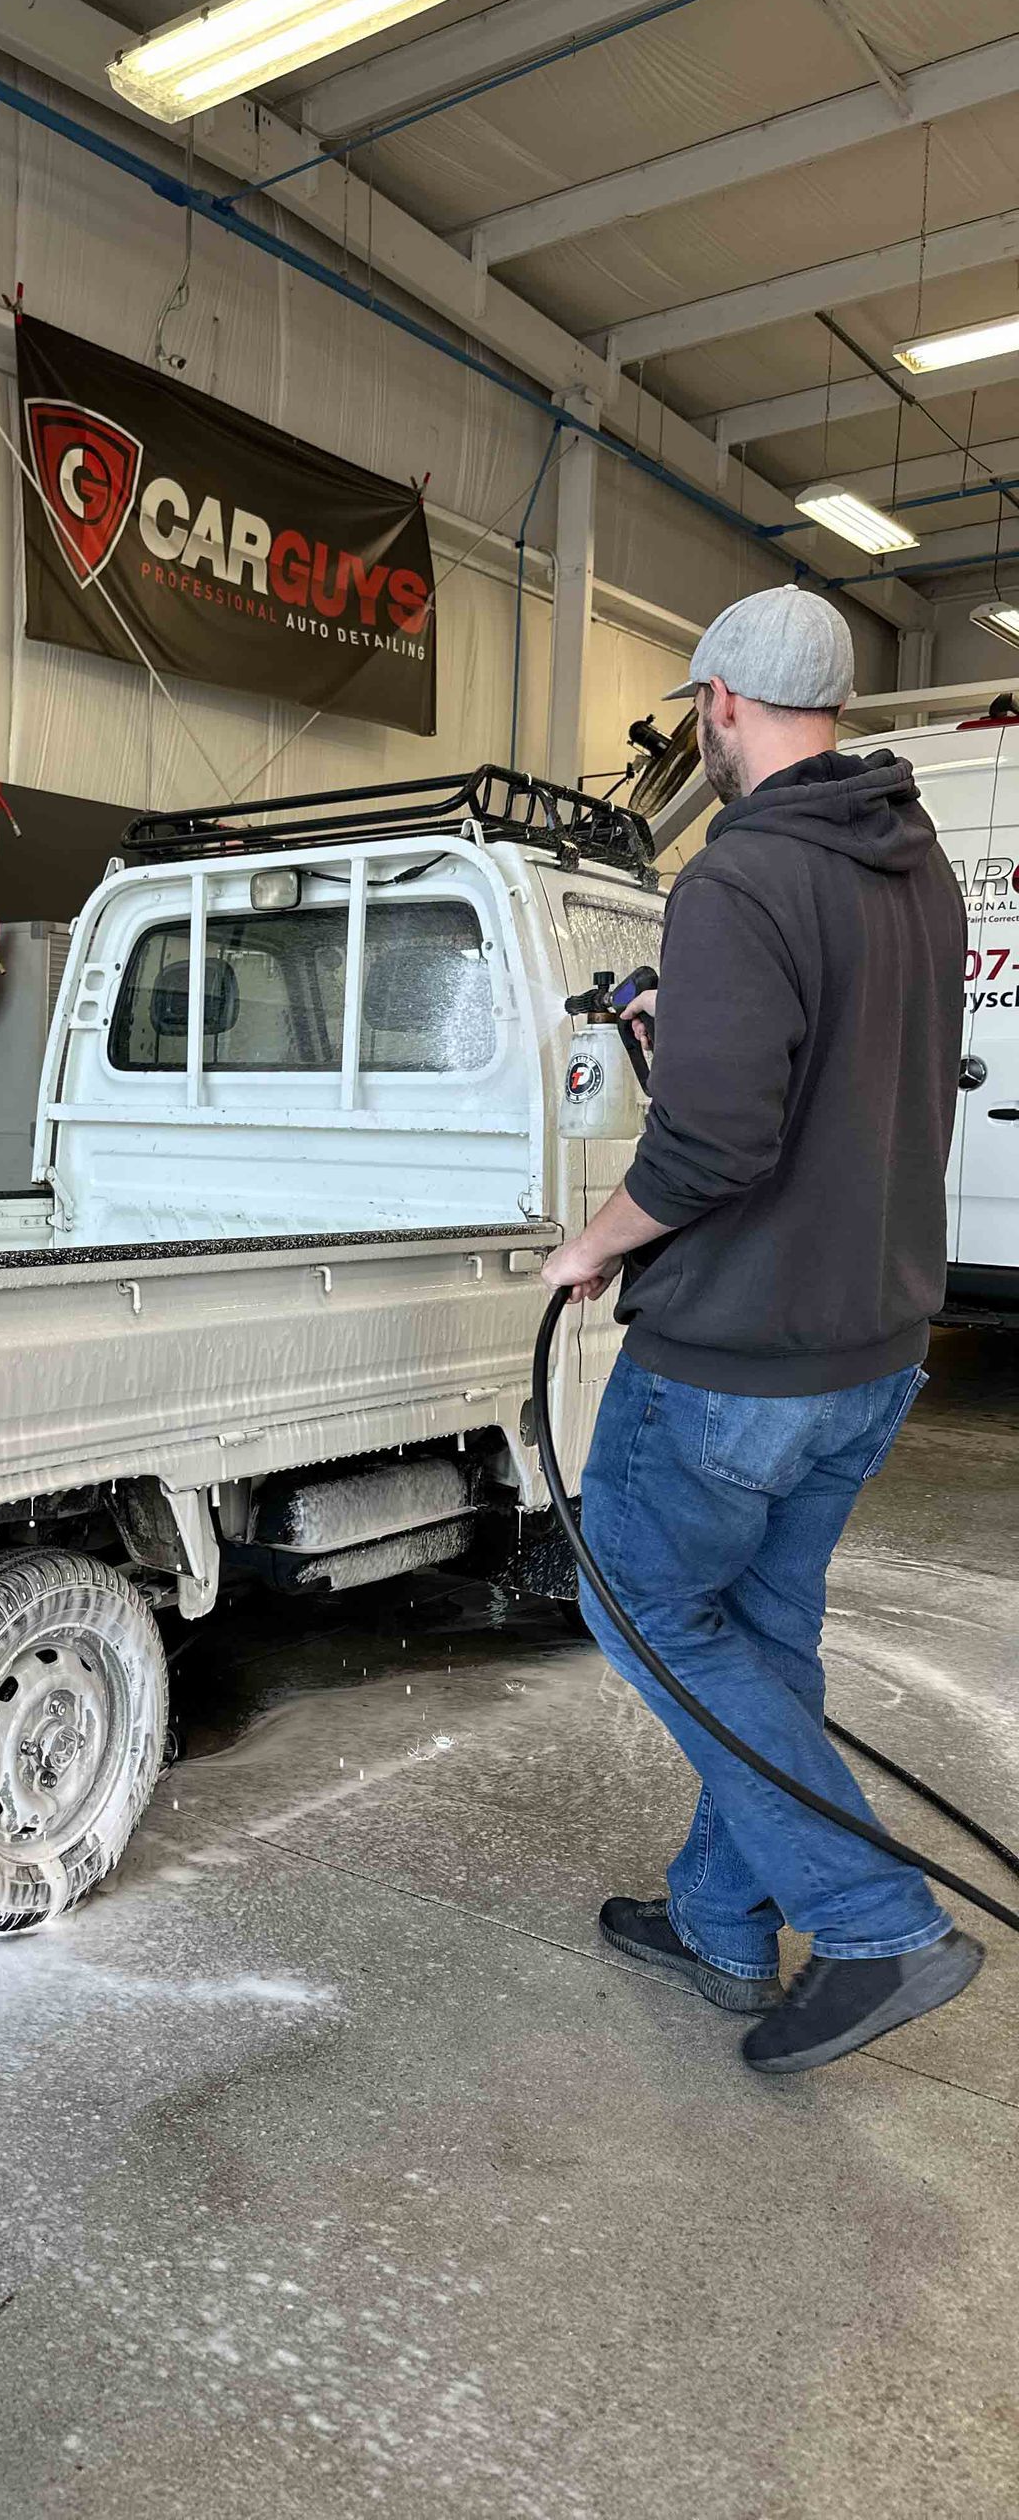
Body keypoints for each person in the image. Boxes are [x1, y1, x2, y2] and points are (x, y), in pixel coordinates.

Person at [542, 583, 981, 2074]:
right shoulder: (918, 865)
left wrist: (593, 1248)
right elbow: (842, 1069)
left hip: (740, 1359)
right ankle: (724, 1923)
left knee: (641, 1608)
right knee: (766, 1636)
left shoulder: (736, 880)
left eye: (701, 713)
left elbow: (714, 1145)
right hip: (878, 1343)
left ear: (722, 702)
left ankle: (875, 1923)